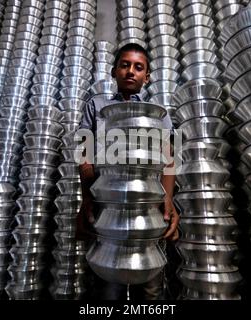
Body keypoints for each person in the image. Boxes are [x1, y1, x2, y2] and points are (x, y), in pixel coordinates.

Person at [77, 43, 180, 300]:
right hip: (107, 204)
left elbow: (169, 159)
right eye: (125, 65)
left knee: (150, 286)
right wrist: (88, 197)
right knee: (108, 282)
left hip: (146, 205)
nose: (130, 71)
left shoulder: (158, 114)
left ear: (147, 76)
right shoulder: (96, 106)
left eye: (138, 67)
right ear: (114, 71)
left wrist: (167, 201)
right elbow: (84, 154)